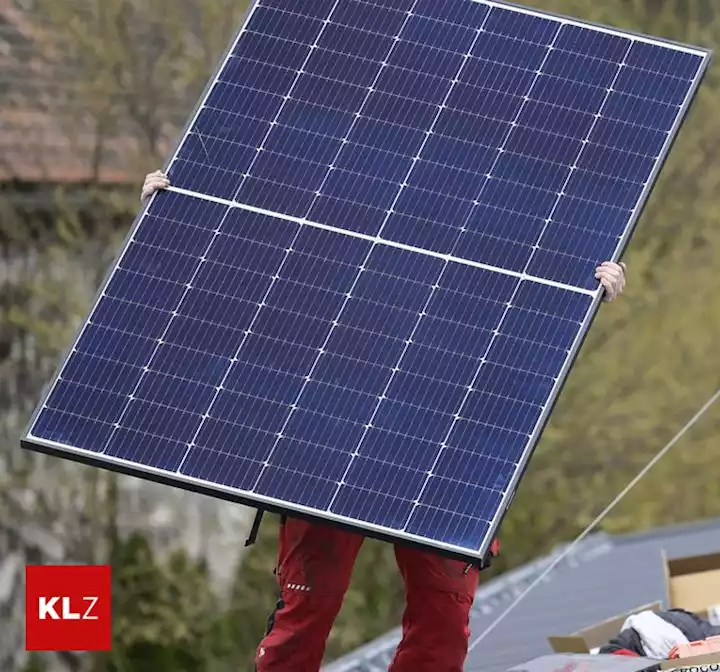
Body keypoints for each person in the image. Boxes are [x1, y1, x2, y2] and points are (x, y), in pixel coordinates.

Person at [139, 171, 630, 671]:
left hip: (448, 443)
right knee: (307, 610)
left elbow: (534, 302)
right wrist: (178, 218)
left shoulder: (503, 212)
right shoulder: (342, 192)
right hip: (328, 430)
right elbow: (253, 259)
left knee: (442, 620)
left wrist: (586, 292)